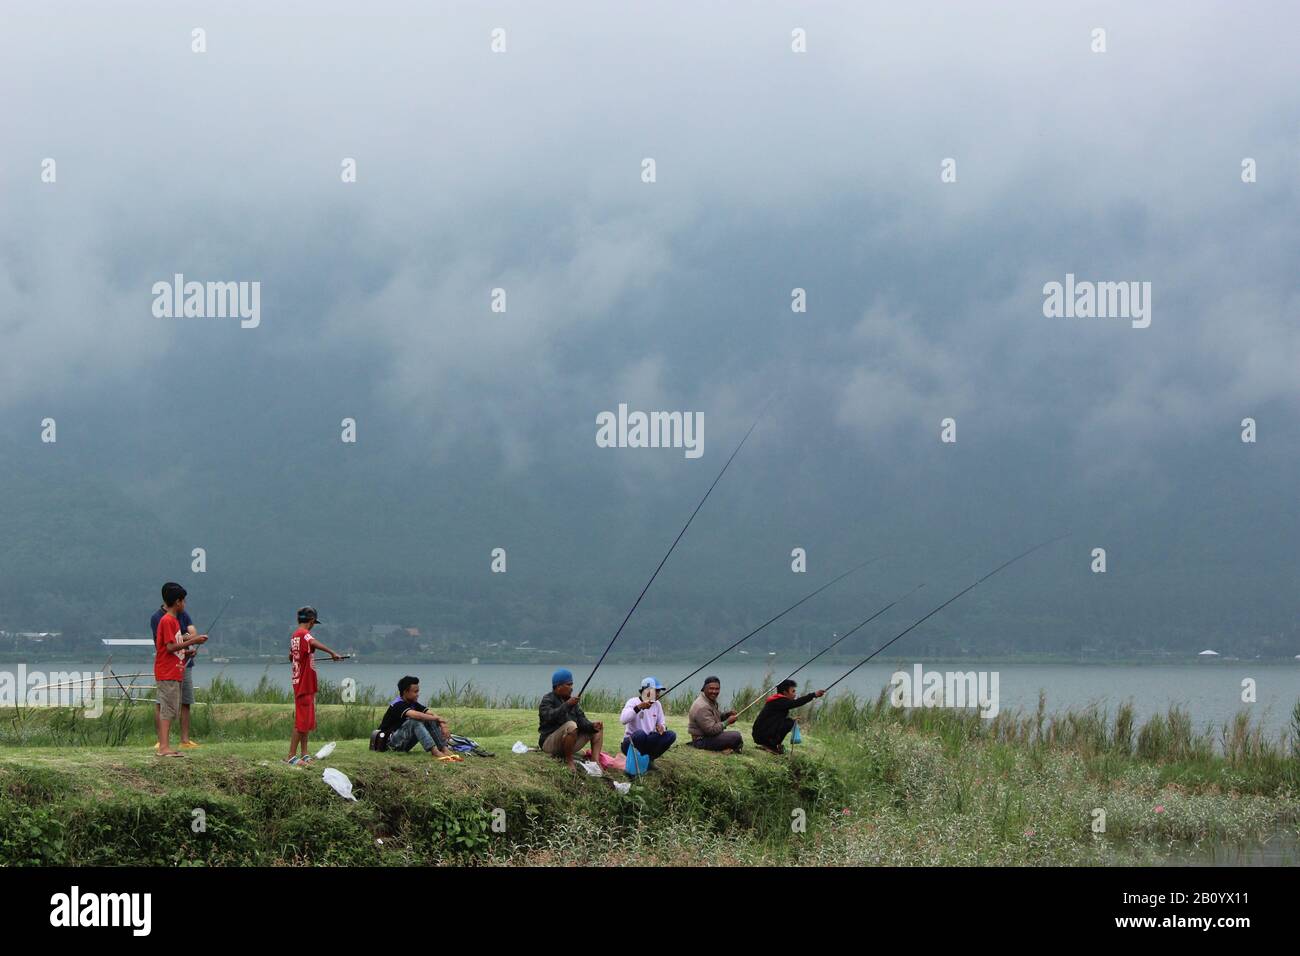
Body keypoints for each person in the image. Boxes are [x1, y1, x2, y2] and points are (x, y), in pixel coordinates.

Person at [153, 583, 207, 757]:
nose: (185, 604)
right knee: (167, 709)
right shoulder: (168, 620)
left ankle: (165, 745)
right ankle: (164, 747)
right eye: (184, 601)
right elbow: (169, 647)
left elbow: (174, 647)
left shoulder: (174, 621)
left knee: (171, 709)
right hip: (167, 672)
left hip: (174, 670)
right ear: (178, 602)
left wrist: (186, 651)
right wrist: (193, 641)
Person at [286, 606, 341, 765]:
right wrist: (332, 653)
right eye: (313, 623)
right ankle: (291, 755)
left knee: (307, 721)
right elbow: (313, 642)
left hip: (304, 683)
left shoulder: (295, 636)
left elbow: (292, 656)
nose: (313, 626)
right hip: (303, 684)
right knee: (301, 722)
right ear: (311, 621)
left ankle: (304, 753)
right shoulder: (303, 634)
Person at [377, 676, 461, 761]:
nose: (418, 694)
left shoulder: (413, 703)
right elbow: (415, 715)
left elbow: (431, 714)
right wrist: (437, 719)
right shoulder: (397, 704)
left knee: (429, 719)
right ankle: (435, 752)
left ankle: (444, 749)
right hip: (390, 744)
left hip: (403, 743)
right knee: (414, 721)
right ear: (405, 692)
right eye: (415, 692)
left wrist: (443, 724)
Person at [537, 668, 604, 771]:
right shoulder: (548, 699)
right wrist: (567, 705)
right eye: (568, 685)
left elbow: (582, 721)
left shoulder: (572, 703)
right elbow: (548, 717)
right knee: (571, 725)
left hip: (568, 744)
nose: (571, 688)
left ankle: (595, 762)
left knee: (597, 729)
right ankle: (569, 761)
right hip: (549, 744)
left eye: (572, 684)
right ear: (559, 686)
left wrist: (592, 726)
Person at [751, 679, 824, 754]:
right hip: (762, 735)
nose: (795, 694)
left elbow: (774, 720)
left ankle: (771, 745)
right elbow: (797, 703)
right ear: (785, 692)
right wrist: (814, 695)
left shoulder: (776, 700)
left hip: (760, 734)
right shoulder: (780, 701)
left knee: (789, 721)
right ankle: (770, 746)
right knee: (789, 723)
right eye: (793, 691)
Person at [619, 676, 676, 760]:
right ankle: (636, 760)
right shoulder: (633, 701)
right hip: (630, 742)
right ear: (646, 691)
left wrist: (661, 728)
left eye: (658, 691)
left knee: (671, 735)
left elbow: (662, 723)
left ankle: (649, 760)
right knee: (640, 735)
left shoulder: (657, 704)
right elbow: (623, 720)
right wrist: (638, 707)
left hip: (648, 740)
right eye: (656, 691)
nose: (658, 694)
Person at [687, 675, 743, 752]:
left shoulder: (708, 700)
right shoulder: (702, 706)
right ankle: (732, 747)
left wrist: (727, 715)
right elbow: (711, 730)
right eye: (711, 689)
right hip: (701, 740)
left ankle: (731, 747)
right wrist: (727, 722)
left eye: (717, 689)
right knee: (736, 736)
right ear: (704, 688)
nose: (714, 691)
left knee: (736, 736)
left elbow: (715, 718)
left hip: (708, 737)